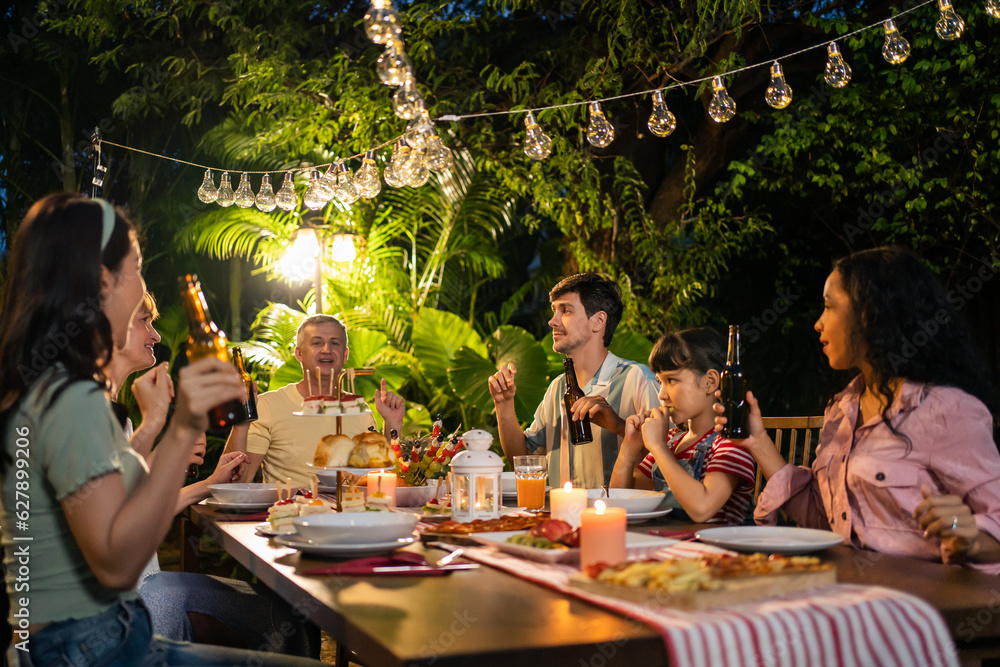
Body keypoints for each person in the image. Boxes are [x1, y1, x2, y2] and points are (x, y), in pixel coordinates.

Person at [0, 193, 325, 666]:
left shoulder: (43, 385)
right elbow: (118, 566)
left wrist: (157, 428)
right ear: (101, 281)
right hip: (88, 647)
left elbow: (106, 513)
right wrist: (181, 428)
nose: (141, 289)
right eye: (135, 268)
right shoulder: (71, 397)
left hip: (57, 643)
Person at [717, 246, 1000, 573]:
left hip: (925, 608)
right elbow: (824, 520)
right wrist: (757, 441)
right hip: (853, 595)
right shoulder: (843, 410)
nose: (818, 324)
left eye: (828, 306)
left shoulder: (945, 409)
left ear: (869, 314)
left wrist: (970, 537)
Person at [106, 292, 320, 656]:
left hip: (145, 584)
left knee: (293, 622)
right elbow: (115, 521)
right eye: (146, 321)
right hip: (131, 599)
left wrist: (206, 482)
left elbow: (133, 501)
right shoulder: (84, 411)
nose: (156, 335)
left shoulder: (117, 414)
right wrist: (169, 438)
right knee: (289, 627)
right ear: (110, 327)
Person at [488, 273, 660, 488]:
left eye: (566, 310)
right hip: (560, 518)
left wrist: (618, 426)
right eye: (554, 311)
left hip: (620, 518)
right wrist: (503, 403)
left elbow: (668, 459)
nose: (552, 321)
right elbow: (522, 461)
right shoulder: (557, 388)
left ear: (598, 321)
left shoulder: (639, 379)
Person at [224, 314, 405, 486]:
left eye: (335, 343)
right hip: (294, 513)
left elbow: (381, 471)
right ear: (299, 354)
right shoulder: (267, 406)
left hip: (354, 512)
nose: (327, 349)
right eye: (317, 343)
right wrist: (241, 422)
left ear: (345, 354)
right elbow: (237, 480)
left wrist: (392, 423)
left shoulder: (358, 407)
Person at [609, 328, 756, 524]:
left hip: (716, 551)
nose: (661, 395)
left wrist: (658, 448)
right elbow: (623, 502)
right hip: (670, 547)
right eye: (660, 382)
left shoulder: (732, 443)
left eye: (672, 380)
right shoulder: (671, 440)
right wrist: (628, 451)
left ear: (710, 382)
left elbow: (702, 509)